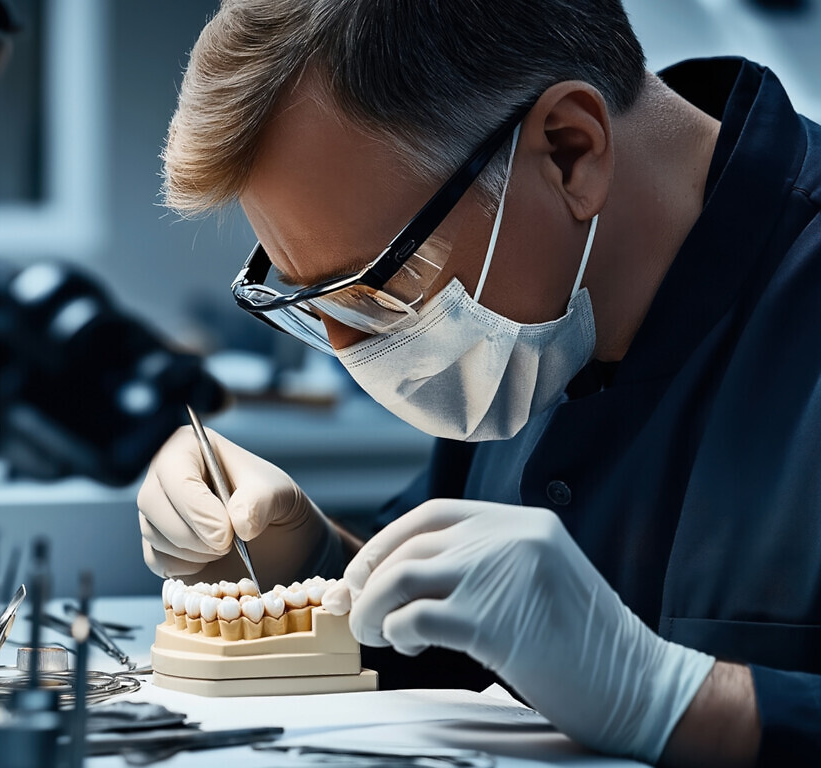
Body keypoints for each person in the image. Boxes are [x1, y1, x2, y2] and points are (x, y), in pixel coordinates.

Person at [135, 1, 821, 764]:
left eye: (376, 290)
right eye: (305, 303)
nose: (343, 347)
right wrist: (309, 565)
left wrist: (671, 698)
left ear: (569, 151)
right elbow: (468, 646)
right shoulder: (532, 327)